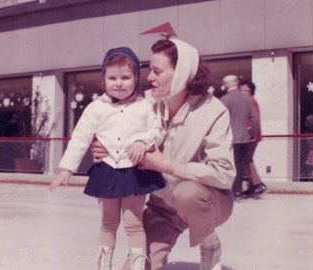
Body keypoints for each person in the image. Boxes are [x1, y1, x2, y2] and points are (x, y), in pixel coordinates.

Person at [92, 38, 235, 270]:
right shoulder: (143, 104)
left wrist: (166, 166)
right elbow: (109, 121)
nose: (149, 78)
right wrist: (101, 146)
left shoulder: (213, 111)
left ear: (181, 74)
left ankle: (209, 242)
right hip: (163, 207)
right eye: (150, 71)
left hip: (208, 200)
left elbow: (224, 173)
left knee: (187, 193)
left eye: (157, 71)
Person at [49, 47, 166, 270]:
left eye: (125, 77)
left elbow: (158, 130)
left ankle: (138, 266)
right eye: (112, 78)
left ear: (136, 79)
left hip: (134, 173)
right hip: (107, 170)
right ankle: (104, 266)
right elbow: (80, 137)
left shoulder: (145, 106)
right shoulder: (95, 108)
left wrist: (144, 141)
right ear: (104, 79)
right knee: (108, 223)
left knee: (134, 224)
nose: (118, 83)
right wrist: (66, 168)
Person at [220, 75, 258, 200]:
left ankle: (231, 191)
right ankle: (237, 191)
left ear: (226, 85)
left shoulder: (224, 99)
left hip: (230, 138)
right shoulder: (246, 99)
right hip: (244, 137)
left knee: (231, 164)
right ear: (236, 83)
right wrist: (253, 134)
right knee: (240, 164)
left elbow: (220, 120)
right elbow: (254, 117)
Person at [239, 80, 267, 198]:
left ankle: (257, 184)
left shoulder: (249, 101)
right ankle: (253, 186)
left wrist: (250, 133)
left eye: (245, 90)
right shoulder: (251, 100)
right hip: (253, 135)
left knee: (246, 159)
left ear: (251, 91)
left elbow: (253, 119)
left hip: (251, 136)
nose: (243, 92)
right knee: (247, 159)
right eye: (241, 90)